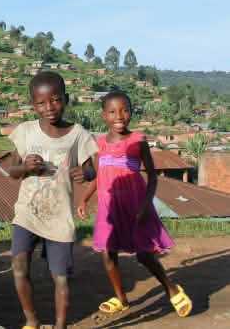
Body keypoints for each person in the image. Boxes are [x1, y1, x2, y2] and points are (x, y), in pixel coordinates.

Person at [77, 92, 192, 317]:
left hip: (135, 205)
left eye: (125, 110)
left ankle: (172, 289)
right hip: (109, 207)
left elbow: (153, 176)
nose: (119, 116)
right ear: (104, 116)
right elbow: (99, 176)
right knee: (108, 253)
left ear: (131, 112)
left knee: (144, 254)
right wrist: (84, 199)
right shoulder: (99, 143)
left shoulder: (138, 140)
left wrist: (146, 205)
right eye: (112, 112)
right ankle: (121, 299)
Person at [6, 71, 98, 329]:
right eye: (41, 103)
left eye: (55, 100)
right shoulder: (25, 131)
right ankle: (32, 320)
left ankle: (60, 325)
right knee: (19, 266)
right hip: (28, 213)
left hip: (59, 217)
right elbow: (12, 171)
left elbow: (91, 170)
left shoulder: (77, 134)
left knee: (61, 278)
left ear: (66, 99)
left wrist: (85, 174)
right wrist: (25, 167)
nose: (49, 108)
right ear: (33, 104)